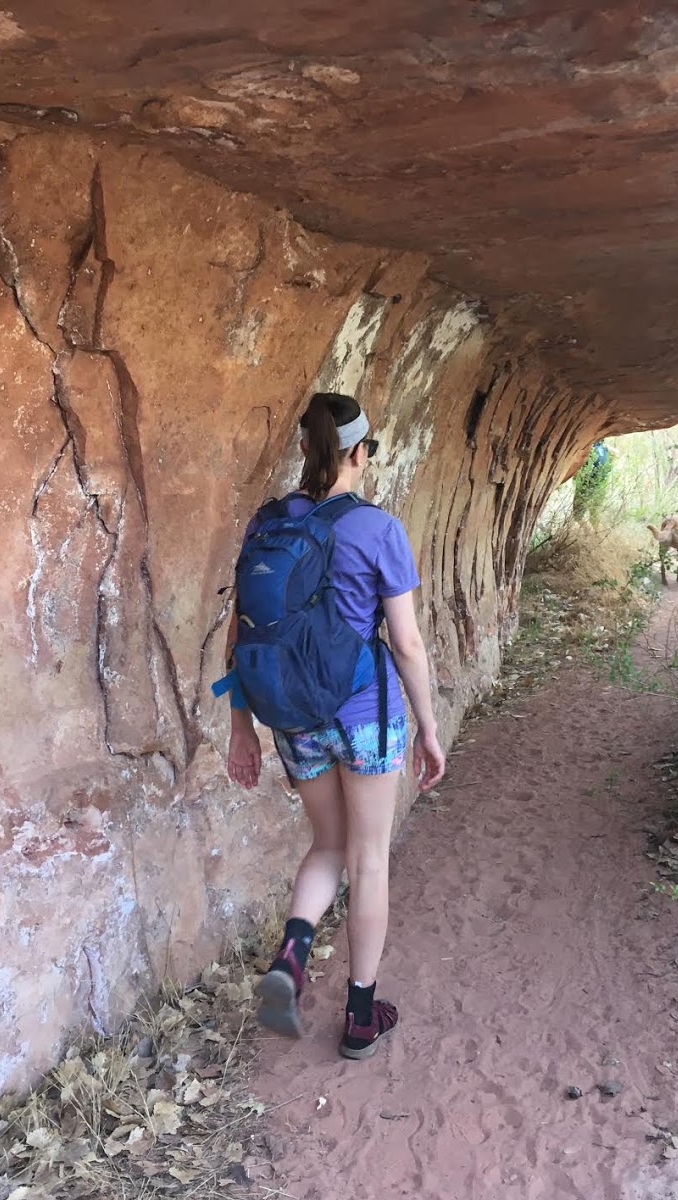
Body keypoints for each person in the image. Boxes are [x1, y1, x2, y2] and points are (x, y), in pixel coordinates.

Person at [222, 392, 446, 1061]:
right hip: (365, 713)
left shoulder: (267, 524)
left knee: (326, 845)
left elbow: (241, 634)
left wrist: (241, 727)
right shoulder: (378, 529)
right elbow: (406, 644)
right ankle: (358, 1014)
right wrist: (429, 730)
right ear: (359, 452)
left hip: (294, 716)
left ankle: (292, 953)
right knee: (368, 860)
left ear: (303, 449)